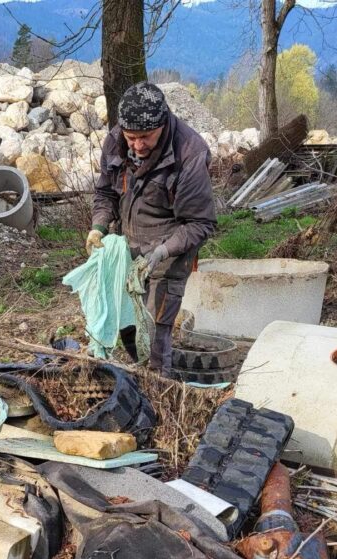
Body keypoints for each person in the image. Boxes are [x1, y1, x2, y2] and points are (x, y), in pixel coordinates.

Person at [87, 82, 216, 376]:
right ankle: (139, 376)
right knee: (129, 328)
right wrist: (98, 227)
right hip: (128, 249)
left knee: (156, 336)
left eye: (145, 137)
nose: (137, 145)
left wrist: (161, 252)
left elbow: (201, 223)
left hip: (169, 254)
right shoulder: (116, 140)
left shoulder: (190, 153)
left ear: (163, 123)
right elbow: (105, 193)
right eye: (131, 138)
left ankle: (160, 395)